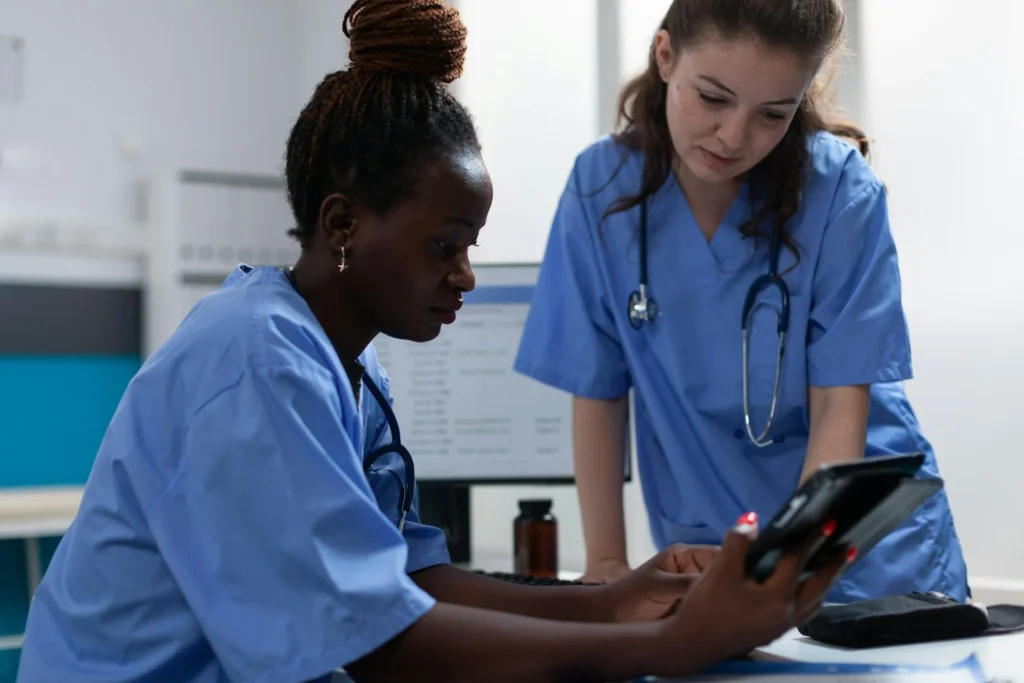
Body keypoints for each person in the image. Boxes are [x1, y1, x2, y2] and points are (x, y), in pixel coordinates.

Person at [16, 1, 852, 681]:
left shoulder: (343, 362)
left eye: (469, 247)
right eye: (444, 246)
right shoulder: (254, 359)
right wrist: (669, 645)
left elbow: (408, 580)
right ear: (343, 225)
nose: (465, 276)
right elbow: (382, 645)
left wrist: (613, 601)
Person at [514, 0, 970, 605]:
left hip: (859, 551)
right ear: (666, 55)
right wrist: (606, 561)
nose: (734, 136)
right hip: (707, 546)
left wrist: (793, 568)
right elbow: (598, 391)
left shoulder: (839, 192)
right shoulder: (600, 187)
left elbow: (839, 405)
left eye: (773, 114)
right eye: (712, 98)